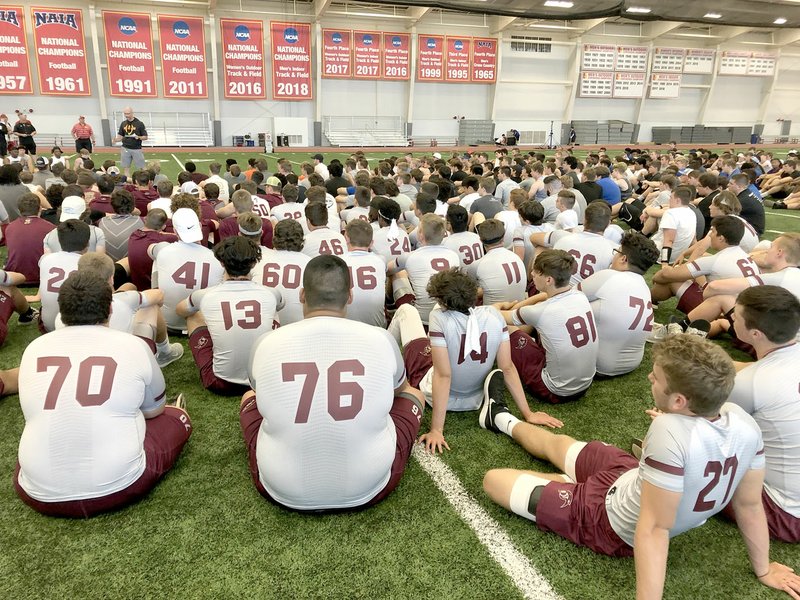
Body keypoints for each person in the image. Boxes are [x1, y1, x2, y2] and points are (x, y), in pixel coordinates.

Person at [480, 334, 800, 598]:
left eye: (657, 377)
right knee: (559, 443)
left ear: (678, 401)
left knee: (493, 480)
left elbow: (653, 530)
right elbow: (749, 504)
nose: (649, 377)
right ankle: (499, 418)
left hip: (608, 520)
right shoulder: (742, 421)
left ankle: (567, 485)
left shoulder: (669, 432)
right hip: (633, 477)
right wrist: (764, 568)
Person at [242, 255, 425, 511]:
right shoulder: (381, 338)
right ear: (350, 296)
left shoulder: (267, 341)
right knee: (414, 394)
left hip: (281, 486)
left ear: (302, 295)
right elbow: (401, 392)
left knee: (249, 398)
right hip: (370, 485)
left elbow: (259, 391)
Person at [15, 270, 192, 518]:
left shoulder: (34, 348)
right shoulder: (133, 345)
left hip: (36, 490)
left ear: (61, 309)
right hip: (120, 485)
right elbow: (154, 411)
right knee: (176, 416)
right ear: (110, 309)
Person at [389, 268, 562, 453]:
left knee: (406, 310)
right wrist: (528, 413)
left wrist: (437, 430)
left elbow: (443, 375)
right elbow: (508, 368)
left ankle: (380, 350)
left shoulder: (438, 316)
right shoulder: (494, 315)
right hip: (475, 398)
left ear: (442, 301)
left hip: (439, 393)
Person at [727, 286, 800, 542]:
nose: (731, 318)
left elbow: (710, 432)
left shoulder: (751, 383)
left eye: (736, 316)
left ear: (755, 333)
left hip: (785, 512)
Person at [177, 237, 281, 395]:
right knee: (274, 312)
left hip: (220, 382)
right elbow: (280, 305)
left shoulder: (204, 295)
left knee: (193, 315)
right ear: (253, 263)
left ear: (222, 263)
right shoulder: (271, 292)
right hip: (263, 380)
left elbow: (180, 311)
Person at [500, 250, 598, 403]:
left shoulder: (542, 312)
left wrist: (499, 306)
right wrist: (521, 306)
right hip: (585, 384)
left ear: (548, 280)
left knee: (508, 330)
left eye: (536, 272)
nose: (532, 273)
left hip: (554, 390)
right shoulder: (580, 295)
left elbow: (501, 316)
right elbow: (544, 298)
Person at [579, 232, 659, 377]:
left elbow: (564, 297)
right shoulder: (644, 287)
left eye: (616, 252)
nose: (613, 256)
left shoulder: (608, 276)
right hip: (632, 364)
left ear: (623, 258)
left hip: (598, 365)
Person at [150, 208, 224, 332]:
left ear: (175, 231)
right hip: (201, 321)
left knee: (157, 259)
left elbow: (151, 250)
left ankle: (157, 301)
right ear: (199, 226)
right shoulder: (215, 258)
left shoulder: (164, 252)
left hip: (169, 323)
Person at [389, 214, 460, 326]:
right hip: (449, 314)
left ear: (421, 236)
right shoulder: (454, 255)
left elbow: (388, 270)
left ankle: (388, 304)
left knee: (399, 272)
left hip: (421, 319)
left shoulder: (409, 257)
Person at [253, 219, 310, 327]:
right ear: (301, 239)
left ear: (275, 238)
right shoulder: (310, 263)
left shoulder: (259, 261)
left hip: (266, 325)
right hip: (299, 326)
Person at [468, 219, 526, 304]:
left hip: (494, 314)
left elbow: (470, 292)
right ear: (503, 237)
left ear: (480, 240)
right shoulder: (516, 257)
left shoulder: (477, 265)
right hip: (518, 309)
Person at [341, 219, 387, 328]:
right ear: (371, 243)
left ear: (346, 238)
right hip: (376, 327)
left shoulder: (338, 262)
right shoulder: (380, 261)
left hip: (345, 326)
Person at [3, 193, 54, 284]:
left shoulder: (10, 227)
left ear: (19, 210)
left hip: (15, 276)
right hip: (40, 275)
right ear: (40, 208)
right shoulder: (51, 228)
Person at [112, 107, 148, 177]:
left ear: (132, 113)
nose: (126, 115)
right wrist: (115, 140)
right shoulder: (123, 123)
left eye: (128, 113)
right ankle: (128, 184)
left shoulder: (139, 123)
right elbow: (120, 136)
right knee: (126, 168)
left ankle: (147, 182)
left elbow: (145, 137)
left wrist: (139, 137)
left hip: (136, 149)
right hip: (125, 148)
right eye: (125, 114)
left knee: (142, 168)